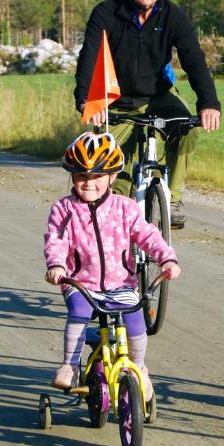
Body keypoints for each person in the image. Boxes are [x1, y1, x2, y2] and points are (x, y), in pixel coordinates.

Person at [74, 0, 221, 229]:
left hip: (159, 97)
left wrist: (209, 103)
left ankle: (173, 197)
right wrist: (85, 100)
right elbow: (89, 57)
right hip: (116, 100)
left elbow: (194, 60)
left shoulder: (173, 16)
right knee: (104, 163)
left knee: (186, 130)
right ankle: (109, 224)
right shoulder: (107, 12)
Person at [44, 132, 180, 398]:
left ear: (112, 177)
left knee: (136, 321)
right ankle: (70, 365)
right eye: (81, 176)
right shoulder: (64, 209)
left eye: (96, 177)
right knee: (79, 311)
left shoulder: (125, 208)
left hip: (121, 284)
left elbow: (148, 234)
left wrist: (167, 257)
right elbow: (56, 240)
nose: (88, 183)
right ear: (72, 176)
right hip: (81, 284)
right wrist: (57, 265)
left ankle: (138, 368)